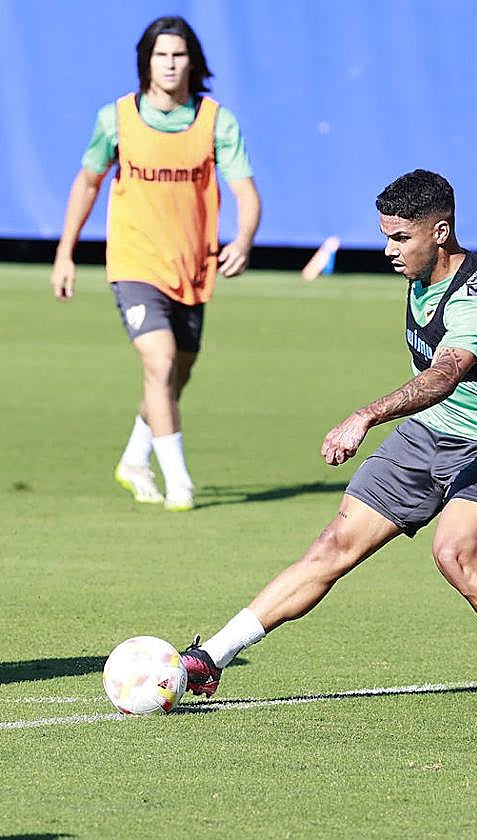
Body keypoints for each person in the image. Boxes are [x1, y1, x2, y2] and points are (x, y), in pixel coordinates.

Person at [178, 170, 477, 720]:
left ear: (440, 232)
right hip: (425, 434)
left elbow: (443, 375)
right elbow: (462, 354)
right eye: (385, 235)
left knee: (455, 553)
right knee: (331, 548)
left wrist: (365, 415)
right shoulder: (423, 276)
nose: (389, 250)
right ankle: (210, 657)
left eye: (400, 238)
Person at [50, 15, 261, 512]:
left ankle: (134, 460)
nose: (169, 63)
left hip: (191, 267)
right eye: (160, 54)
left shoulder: (215, 121)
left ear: (193, 62)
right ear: (145, 60)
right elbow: (87, 183)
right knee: (160, 362)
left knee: (175, 375)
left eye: (178, 54)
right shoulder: (116, 119)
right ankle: (180, 484)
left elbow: (245, 192)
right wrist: (65, 252)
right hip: (133, 262)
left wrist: (245, 238)